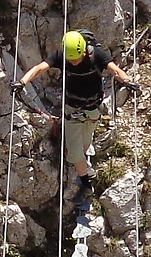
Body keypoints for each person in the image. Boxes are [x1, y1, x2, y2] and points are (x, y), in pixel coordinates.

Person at [21, 28, 133, 184]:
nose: (73, 62)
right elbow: (39, 68)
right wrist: (22, 82)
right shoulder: (62, 56)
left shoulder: (97, 55)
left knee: (86, 142)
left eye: (76, 59)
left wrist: (127, 81)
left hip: (93, 109)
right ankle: (85, 182)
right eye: (70, 59)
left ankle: (82, 160)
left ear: (84, 52)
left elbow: (115, 70)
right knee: (74, 153)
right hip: (72, 109)